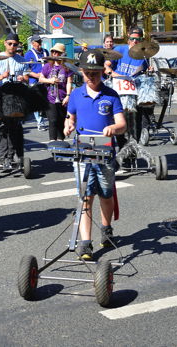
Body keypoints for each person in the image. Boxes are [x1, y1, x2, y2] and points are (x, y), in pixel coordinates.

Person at [64, 49, 126, 260]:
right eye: (87, 72)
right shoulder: (75, 94)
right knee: (85, 196)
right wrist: (68, 126)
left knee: (106, 194)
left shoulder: (110, 95)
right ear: (81, 71)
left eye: (96, 72)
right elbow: (70, 117)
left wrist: (113, 129)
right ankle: (85, 242)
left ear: (102, 72)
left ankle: (107, 230)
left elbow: (122, 124)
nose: (91, 76)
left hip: (105, 152)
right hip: (82, 151)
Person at [0, 33, 32, 170]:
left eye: (15, 44)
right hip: (3, 96)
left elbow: (27, 78)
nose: (12, 46)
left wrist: (23, 79)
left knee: (15, 127)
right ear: (5, 43)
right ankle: (3, 158)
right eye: (10, 44)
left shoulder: (22, 60)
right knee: (2, 128)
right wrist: (2, 76)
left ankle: (12, 156)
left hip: (17, 97)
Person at [110, 27, 151, 144]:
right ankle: (121, 146)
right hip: (118, 90)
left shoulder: (143, 55)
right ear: (128, 38)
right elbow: (107, 66)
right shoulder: (119, 50)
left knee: (136, 122)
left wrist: (149, 71)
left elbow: (144, 72)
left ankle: (133, 148)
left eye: (138, 40)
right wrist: (116, 75)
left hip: (134, 91)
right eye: (132, 39)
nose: (135, 42)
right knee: (119, 120)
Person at [39, 42, 72, 142]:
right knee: (53, 120)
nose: (54, 54)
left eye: (57, 52)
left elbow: (69, 82)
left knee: (61, 120)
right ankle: (52, 142)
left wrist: (68, 96)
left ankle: (60, 141)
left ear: (62, 54)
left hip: (62, 97)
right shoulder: (48, 66)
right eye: (53, 52)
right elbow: (41, 79)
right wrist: (50, 81)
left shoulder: (67, 67)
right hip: (50, 97)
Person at [24, 35, 48, 130]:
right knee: (37, 101)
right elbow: (26, 69)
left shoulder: (45, 52)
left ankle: (46, 118)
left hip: (46, 80)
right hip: (35, 81)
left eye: (40, 42)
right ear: (32, 43)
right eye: (37, 42)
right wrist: (37, 75)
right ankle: (40, 123)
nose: (39, 44)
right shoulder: (28, 54)